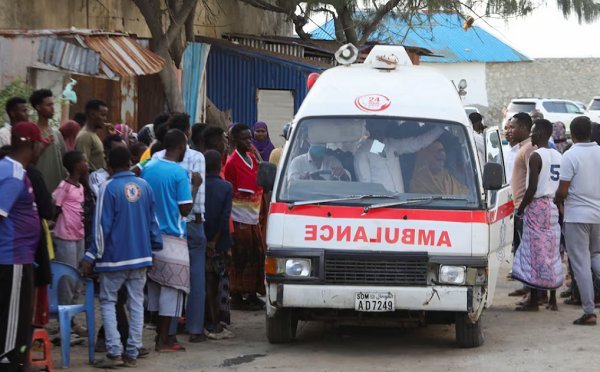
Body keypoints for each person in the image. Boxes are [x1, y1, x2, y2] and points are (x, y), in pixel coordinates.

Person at [80, 147, 163, 367]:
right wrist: (153, 250)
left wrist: (90, 255)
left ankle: (115, 351)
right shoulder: (144, 186)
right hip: (141, 256)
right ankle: (133, 352)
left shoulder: (108, 187)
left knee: (108, 301)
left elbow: (101, 227)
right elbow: (153, 222)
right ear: (130, 162)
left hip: (114, 257)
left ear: (109, 165)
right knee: (136, 304)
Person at [141, 129, 201, 352]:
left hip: (150, 235)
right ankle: (165, 339)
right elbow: (185, 209)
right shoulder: (179, 173)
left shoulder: (148, 167)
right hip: (173, 236)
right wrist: (196, 185)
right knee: (174, 290)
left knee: (156, 288)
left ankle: (162, 336)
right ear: (182, 147)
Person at [152, 113, 207, 343]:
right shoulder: (196, 157)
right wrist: (195, 188)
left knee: (165, 279)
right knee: (194, 279)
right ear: (188, 134)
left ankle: (166, 330)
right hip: (188, 224)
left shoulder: (155, 158)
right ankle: (194, 330)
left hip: (158, 226)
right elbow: (192, 203)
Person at [0, 122, 46, 371]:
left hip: (19, 256)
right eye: (40, 144)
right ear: (31, 144)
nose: (42, 150)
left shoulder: (14, 169)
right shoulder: (14, 173)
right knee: (12, 321)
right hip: (13, 257)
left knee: (15, 317)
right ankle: (9, 362)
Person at [511, 120, 562, 311]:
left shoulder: (536, 156)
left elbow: (532, 188)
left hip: (537, 207)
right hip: (552, 207)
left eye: (533, 132)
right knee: (551, 251)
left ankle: (533, 301)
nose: (531, 136)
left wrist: (521, 209)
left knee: (533, 253)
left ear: (539, 134)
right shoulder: (558, 155)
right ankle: (553, 300)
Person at [555, 116, 600, 325]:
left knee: (581, 263)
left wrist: (557, 201)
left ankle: (589, 311)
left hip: (576, 217)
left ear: (571, 135)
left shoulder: (570, 156)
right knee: (595, 256)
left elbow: (563, 191)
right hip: (598, 216)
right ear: (590, 134)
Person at [224, 123, 266, 310]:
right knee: (242, 257)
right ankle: (237, 295)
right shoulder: (232, 163)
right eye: (244, 139)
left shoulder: (251, 158)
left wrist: (258, 158)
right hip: (240, 217)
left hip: (253, 215)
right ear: (234, 141)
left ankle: (251, 293)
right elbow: (232, 191)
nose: (249, 141)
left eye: (250, 138)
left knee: (256, 255)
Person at [52, 151, 89, 336]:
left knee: (76, 279)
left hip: (78, 237)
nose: (87, 164)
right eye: (84, 161)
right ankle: (63, 324)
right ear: (77, 166)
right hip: (65, 237)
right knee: (66, 280)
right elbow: (55, 209)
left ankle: (71, 320)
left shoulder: (80, 187)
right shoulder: (63, 187)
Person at [353, 121, 444, 193]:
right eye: (374, 124)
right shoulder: (362, 154)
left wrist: (439, 128)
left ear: (385, 125)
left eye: (381, 123)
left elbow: (418, 143)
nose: (378, 127)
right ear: (367, 126)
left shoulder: (393, 145)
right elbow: (366, 187)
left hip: (401, 204)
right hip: (380, 207)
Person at [203, 150, 235, 339]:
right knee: (218, 283)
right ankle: (216, 324)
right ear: (220, 166)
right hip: (220, 242)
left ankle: (210, 322)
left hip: (203, 240)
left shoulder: (198, 185)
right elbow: (224, 218)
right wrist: (215, 242)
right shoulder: (226, 187)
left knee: (207, 282)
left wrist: (208, 243)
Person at [30, 89, 67, 192]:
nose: (52, 108)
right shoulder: (32, 134)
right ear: (38, 107)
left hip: (58, 193)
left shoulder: (57, 134)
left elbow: (64, 162)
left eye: (52, 105)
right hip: (38, 191)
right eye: (48, 105)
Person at [75, 99, 109, 172]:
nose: (105, 119)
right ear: (92, 114)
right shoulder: (85, 136)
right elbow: (82, 167)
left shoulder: (92, 134)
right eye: (102, 115)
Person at [89, 134, 127, 199]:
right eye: (117, 151)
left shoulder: (131, 175)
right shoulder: (96, 177)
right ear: (106, 152)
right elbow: (103, 197)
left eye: (124, 151)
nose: (121, 155)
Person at [503, 121, 519, 186]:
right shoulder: (503, 150)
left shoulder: (523, 151)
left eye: (510, 128)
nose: (507, 131)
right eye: (505, 128)